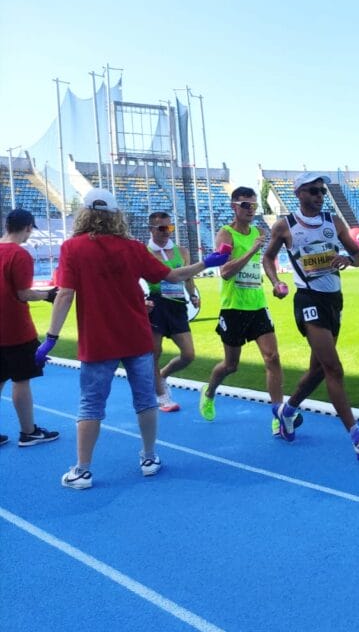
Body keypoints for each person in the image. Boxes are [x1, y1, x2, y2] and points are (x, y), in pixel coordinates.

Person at [37, 189, 229, 489]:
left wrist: (51, 337)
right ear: (116, 216)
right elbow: (173, 276)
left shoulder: (72, 248)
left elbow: (64, 295)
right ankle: (150, 458)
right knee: (144, 401)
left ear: (85, 214)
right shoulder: (133, 247)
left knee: (90, 406)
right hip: (136, 336)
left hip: (98, 340)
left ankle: (82, 470)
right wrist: (208, 263)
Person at [262, 172, 359, 460]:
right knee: (334, 368)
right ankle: (358, 438)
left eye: (322, 191)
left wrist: (347, 258)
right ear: (299, 194)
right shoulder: (286, 225)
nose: (320, 196)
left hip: (333, 300)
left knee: (318, 370)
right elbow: (268, 258)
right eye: (313, 191)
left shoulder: (335, 222)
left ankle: (287, 411)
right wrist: (276, 282)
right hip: (308, 299)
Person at [198, 186, 286, 426]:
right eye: (246, 205)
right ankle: (209, 392)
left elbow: (263, 263)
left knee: (273, 357)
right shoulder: (225, 234)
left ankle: (278, 413)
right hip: (233, 307)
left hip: (257, 305)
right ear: (233, 206)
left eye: (254, 206)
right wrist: (251, 250)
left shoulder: (258, 231)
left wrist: (276, 283)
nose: (251, 210)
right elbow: (224, 272)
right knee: (231, 365)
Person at [0, 209, 60, 448]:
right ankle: (28, 432)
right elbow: (23, 293)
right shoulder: (20, 254)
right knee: (21, 380)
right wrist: (48, 295)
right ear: (26, 228)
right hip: (15, 329)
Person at [145, 211, 201, 413]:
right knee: (154, 353)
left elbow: (188, 277)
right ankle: (161, 395)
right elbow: (134, 280)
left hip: (177, 305)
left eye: (170, 227)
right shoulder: (144, 252)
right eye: (162, 228)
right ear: (151, 229)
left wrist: (193, 295)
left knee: (188, 354)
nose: (167, 232)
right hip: (155, 305)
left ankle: (163, 375)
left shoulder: (182, 252)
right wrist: (142, 300)